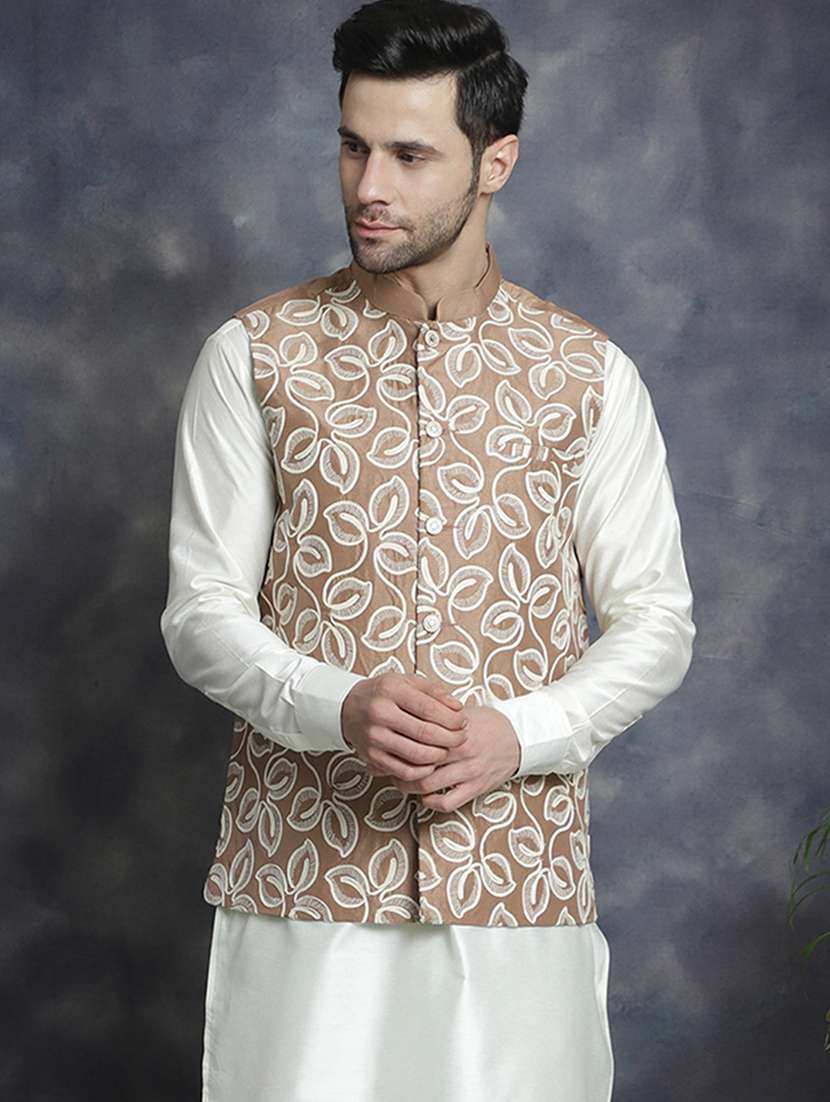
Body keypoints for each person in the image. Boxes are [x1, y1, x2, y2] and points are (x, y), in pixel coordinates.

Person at [160, 1, 696, 1098]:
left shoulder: (586, 375)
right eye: (352, 146)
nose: (369, 185)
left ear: (495, 162)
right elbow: (200, 614)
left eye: (409, 156)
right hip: (302, 881)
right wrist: (336, 705)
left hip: (515, 883)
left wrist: (521, 734)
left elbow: (656, 622)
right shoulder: (253, 357)